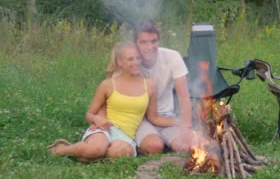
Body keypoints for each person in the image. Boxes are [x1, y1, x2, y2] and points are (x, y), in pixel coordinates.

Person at [47, 41, 178, 161]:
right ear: (120, 62)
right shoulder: (108, 85)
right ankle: (61, 149)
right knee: (95, 149)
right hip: (105, 129)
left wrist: (181, 122)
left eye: (138, 58)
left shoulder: (149, 85)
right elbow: (89, 114)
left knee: (118, 153)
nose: (136, 62)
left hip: (126, 135)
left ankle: (90, 153)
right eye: (130, 59)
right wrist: (97, 119)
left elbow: (154, 118)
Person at [132, 20, 196, 154]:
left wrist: (187, 127)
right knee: (155, 147)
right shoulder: (130, 61)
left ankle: (167, 140)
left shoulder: (172, 57)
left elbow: (184, 97)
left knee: (189, 146)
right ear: (135, 44)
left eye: (153, 41)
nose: (150, 47)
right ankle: (142, 142)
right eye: (144, 42)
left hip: (167, 118)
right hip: (141, 119)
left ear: (159, 41)